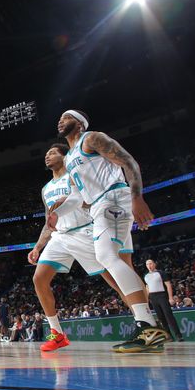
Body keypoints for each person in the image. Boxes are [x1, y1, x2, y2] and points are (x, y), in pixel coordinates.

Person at [48, 109, 168, 353]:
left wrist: (137, 198)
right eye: (59, 118)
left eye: (67, 117)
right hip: (100, 205)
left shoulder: (91, 138)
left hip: (113, 198)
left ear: (80, 123)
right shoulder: (70, 158)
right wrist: (56, 213)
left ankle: (148, 326)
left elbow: (128, 161)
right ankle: (146, 326)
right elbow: (76, 197)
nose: (61, 120)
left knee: (105, 256)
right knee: (118, 261)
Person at [29, 143, 129, 352]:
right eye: (46, 153)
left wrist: (71, 201)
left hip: (84, 230)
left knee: (115, 281)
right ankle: (57, 334)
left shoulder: (76, 176)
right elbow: (49, 220)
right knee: (39, 279)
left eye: (52, 152)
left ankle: (144, 320)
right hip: (60, 236)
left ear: (64, 156)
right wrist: (38, 247)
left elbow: (91, 201)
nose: (47, 156)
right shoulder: (45, 188)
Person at [144, 259, 183, 341]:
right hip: (153, 297)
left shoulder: (161, 273)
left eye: (150, 263)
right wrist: (147, 300)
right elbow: (147, 288)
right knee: (161, 318)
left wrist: (170, 297)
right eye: (147, 264)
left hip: (162, 295)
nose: (149, 266)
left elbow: (168, 285)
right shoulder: (146, 276)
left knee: (169, 316)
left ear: (154, 264)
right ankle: (168, 336)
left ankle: (178, 335)